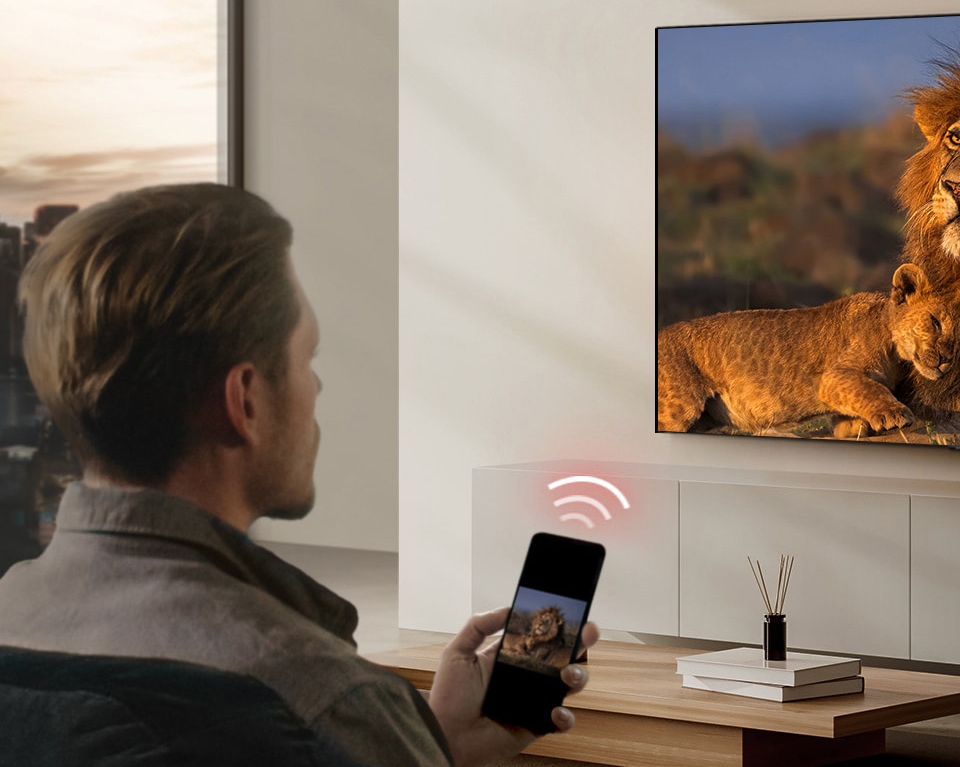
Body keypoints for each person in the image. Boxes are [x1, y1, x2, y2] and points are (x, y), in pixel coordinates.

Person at [0, 182, 595, 767]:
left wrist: (436, 744)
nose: (316, 386)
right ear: (246, 401)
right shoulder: (318, 700)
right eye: (307, 357)